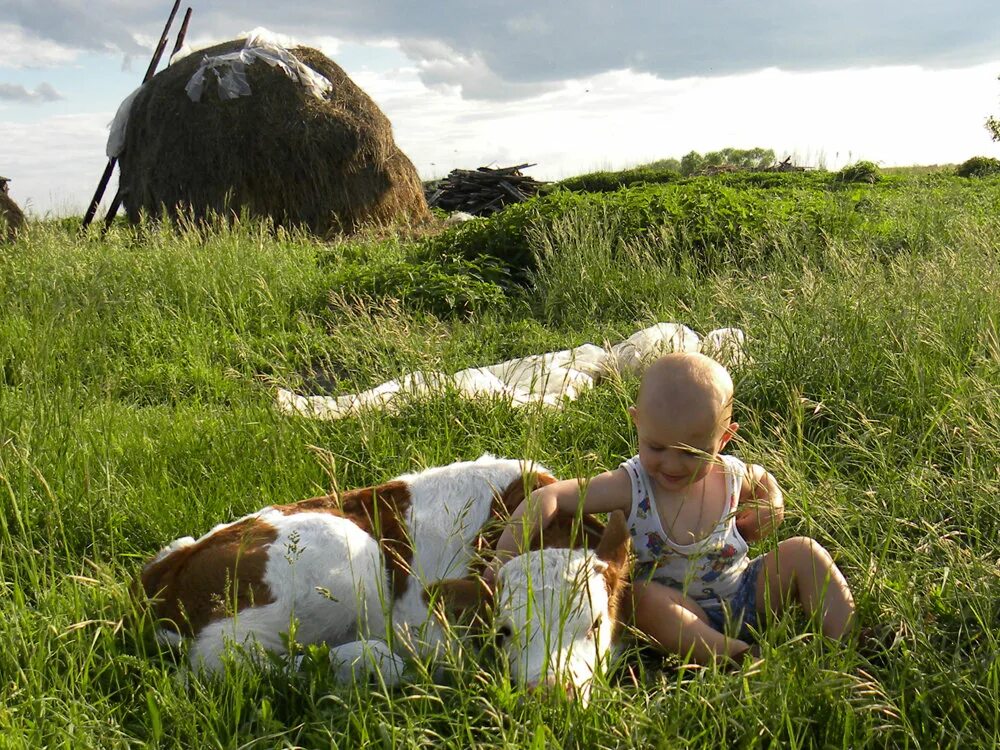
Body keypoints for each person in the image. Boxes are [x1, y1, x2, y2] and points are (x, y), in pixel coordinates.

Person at [489, 352, 855, 665]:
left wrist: (772, 504)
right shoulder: (631, 485)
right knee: (642, 599)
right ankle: (742, 657)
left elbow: (763, 482)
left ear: (724, 439)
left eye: (690, 452)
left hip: (745, 591)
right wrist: (499, 563)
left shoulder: (731, 475)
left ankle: (850, 641)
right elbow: (547, 498)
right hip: (677, 613)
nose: (672, 465)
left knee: (804, 551)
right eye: (657, 448)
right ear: (637, 423)